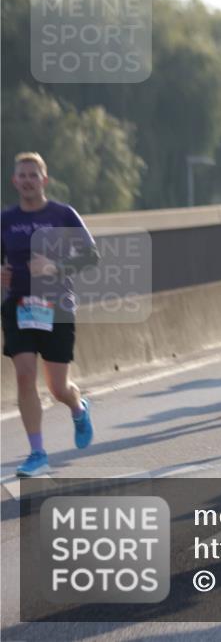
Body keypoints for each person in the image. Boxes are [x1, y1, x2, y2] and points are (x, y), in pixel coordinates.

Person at [2, 152, 98, 477]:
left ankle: (77, 407)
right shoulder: (6, 219)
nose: (28, 181)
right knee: (25, 374)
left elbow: (91, 256)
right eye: (22, 175)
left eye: (33, 175)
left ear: (44, 180)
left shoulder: (62, 214)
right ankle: (37, 453)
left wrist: (56, 267)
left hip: (57, 307)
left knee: (58, 388)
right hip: (19, 306)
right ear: (14, 181)